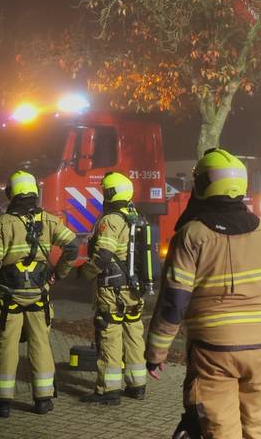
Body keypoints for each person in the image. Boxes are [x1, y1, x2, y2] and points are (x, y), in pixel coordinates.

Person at [145, 149, 261, 439]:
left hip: (213, 351)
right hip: (260, 348)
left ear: (202, 185)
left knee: (222, 430)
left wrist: (156, 352)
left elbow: (174, 302)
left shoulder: (192, 235)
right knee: (257, 428)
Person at [0, 170, 78, 418]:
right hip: (39, 295)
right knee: (40, 344)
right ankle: (43, 400)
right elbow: (73, 246)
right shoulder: (50, 220)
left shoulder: (3, 223)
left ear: (11, 193)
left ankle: (1, 403)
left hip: (9, 297)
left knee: (6, 346)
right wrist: (59, 273)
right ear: (35, 192)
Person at [79, 171, 148, 405]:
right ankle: (137, 385)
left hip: (112, 290)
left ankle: (108, 390)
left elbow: (103, 256)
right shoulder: (137, 217)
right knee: (134, 334)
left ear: (110, 193)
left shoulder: (111, 220)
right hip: (134, 289)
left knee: (110, 335)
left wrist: (85, 273)